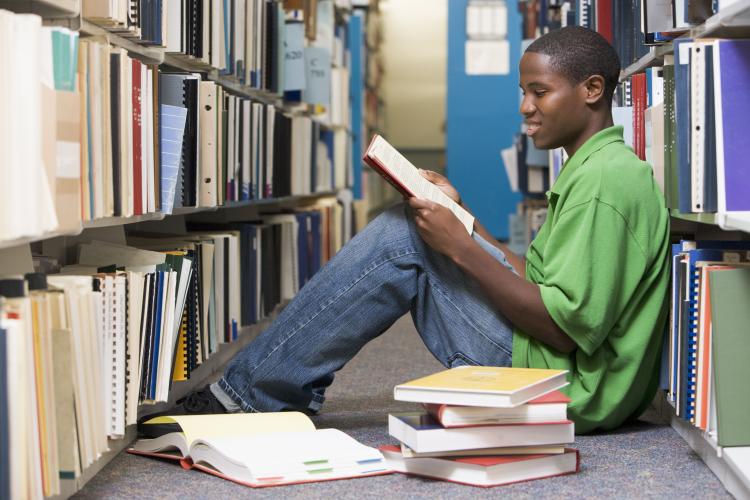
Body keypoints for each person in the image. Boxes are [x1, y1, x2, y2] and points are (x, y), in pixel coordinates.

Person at [157, 26, 670, 434]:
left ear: (592, 90)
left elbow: (562, 327)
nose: (525, 109)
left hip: (568, 388)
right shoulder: (592, 168)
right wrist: (463, 219)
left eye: (539, 92)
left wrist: (461, 249)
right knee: (418, 225)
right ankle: (263, 388)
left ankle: (250, 396)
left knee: (402, 235)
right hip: (565, 369)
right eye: (523, 92)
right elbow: (534, 280)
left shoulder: (604, 182)